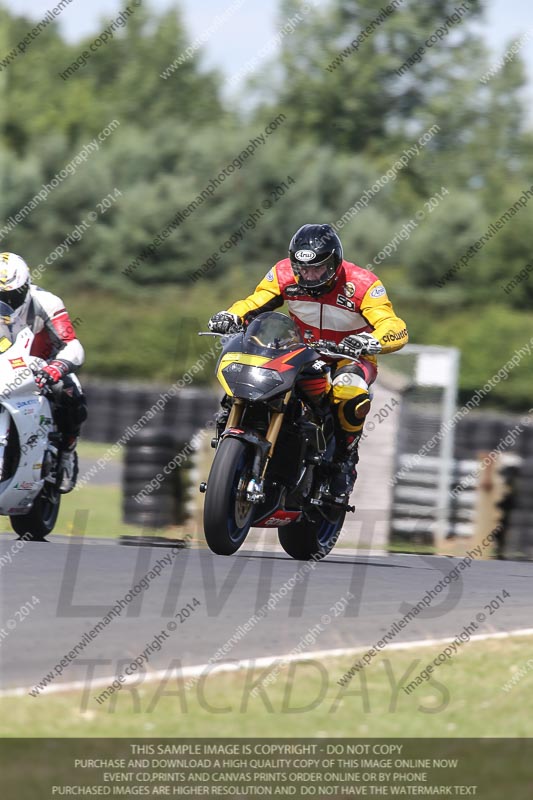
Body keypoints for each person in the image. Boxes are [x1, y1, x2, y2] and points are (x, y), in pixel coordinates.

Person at [208, 223, 408, 498]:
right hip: (300, 348)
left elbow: (393, 325)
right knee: (250, 366)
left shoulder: (362, 284)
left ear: (335, 263)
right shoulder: (282, 274)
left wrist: (371, 340)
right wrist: (231, 315)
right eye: (304, 269)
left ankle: (344, 460)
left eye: (319, 268)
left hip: (348, 355)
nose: (310, 275)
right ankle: (234, 419)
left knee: (350, 393)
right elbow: (256, 301)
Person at [0, 252, 87, 493]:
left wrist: (56, 367)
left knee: (69, 391)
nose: (4, 301)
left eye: (10, 295)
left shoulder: (46, 302)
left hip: (38, 366)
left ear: (25, 287)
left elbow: (72, 344)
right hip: (2, 367)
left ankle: (67, 453)